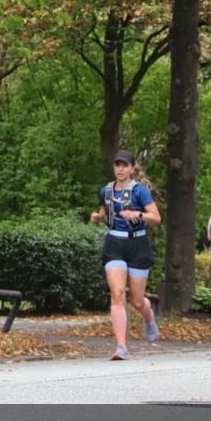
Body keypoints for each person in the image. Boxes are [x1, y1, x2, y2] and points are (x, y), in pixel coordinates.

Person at [89, 150, 162, 360]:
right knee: (117, 293)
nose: (120, 169)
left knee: (137, 301)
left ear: (131, 168)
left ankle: (148, 318)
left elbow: (156, 218)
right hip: (114, 244)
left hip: (138, 244)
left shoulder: (140, 191)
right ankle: (121, 347)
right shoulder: (106, 190)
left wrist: (137, 214)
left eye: (125, 165)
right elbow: (105, 210)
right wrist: (98, 216)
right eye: (117, 165)